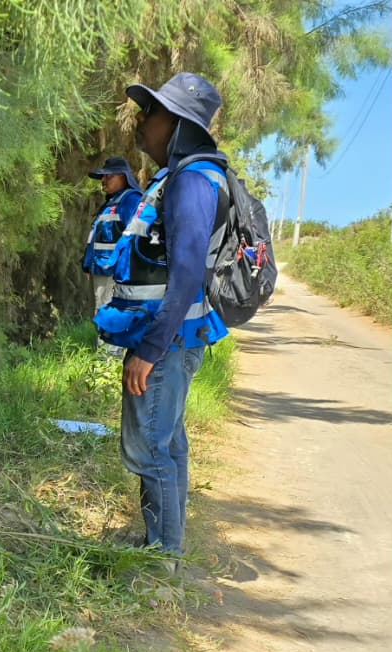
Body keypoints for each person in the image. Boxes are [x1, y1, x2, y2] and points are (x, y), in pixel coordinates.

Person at [93, 72, 230, 561]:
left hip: (167, 342)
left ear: (176, 123)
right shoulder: (187, 175)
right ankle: (161, 544)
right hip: (171, 338)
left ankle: (162, 559)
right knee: (167, 444)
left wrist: (149, 350)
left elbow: (188, 271)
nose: (142, 120)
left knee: (150, 449)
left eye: (150, 112)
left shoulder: (192, 180)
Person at [83, 156, 142, 320]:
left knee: (108, 317)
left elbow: (135, 237)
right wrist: (87, 265)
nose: (103, 180)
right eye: (103, 176)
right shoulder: (111, 203)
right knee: (100, 315)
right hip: (100, 270)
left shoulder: (131, 200)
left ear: (123, 177)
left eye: (109, 176)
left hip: (113, 273)